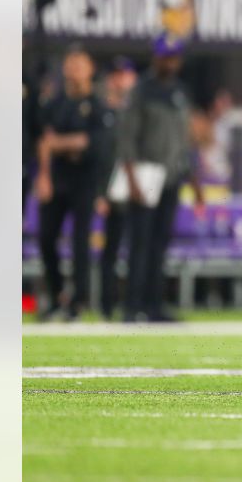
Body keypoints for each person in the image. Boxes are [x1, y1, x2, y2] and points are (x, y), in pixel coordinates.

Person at [117, 36, 205, 323]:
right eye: (164, 56)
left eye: (173, 57)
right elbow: (127, 137)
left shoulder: (181, 92)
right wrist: (131, 179)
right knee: (139, 244)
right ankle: (132, 307)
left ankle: (154, 306)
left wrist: (194, 181)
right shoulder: (142, 90)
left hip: (172, 177)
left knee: (160, 245)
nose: (169, 62)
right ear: (155, 58)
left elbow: (185, 140)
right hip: (145, 176)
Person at [35, 45, 104, 320]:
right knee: (45, 238)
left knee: (79, 242)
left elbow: (88, 143)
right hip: (57, 178)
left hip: (84, 181)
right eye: (71, 64)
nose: (75, 70)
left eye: (80, 64)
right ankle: (55, 296)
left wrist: (58, 144)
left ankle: (77, 302)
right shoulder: (55, 104)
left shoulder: (97, 106)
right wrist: (43, 174)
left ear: (90, 69)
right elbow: (44, 140)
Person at [95, 57, 138, 320]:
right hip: (112, 191)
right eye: (117, 75)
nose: (121, 80)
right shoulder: (102, 112)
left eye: (126, 75)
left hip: (139, 190)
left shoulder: (139, 111)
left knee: (137, 249)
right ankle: (106, 306)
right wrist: (100, 192)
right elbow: (101, 157)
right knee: (110, 250)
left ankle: (134, 305)